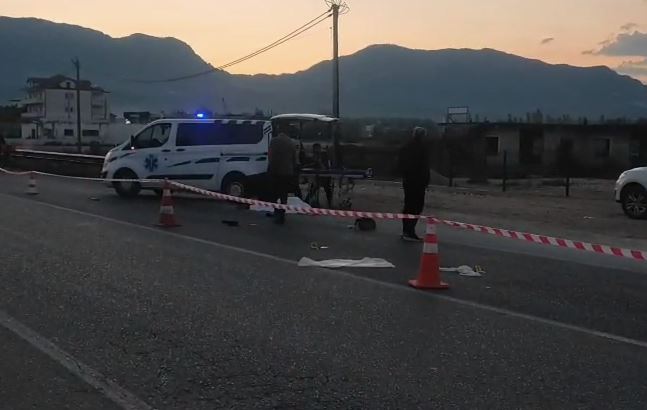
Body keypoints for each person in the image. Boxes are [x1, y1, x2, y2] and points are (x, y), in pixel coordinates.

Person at [398, 127, 431, 241]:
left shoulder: (406, 147)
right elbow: (424, 167)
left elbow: (400, 164)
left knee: (408, 205)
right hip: (418, 181)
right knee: (417, 206)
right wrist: (426, 180)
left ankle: (406, 230)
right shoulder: (422, 148)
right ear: (422, 136)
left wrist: (405, 175)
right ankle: (410, 231)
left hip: (408, 181)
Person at [268, 131, 297, 224]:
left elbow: (270, 156)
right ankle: (282, 214)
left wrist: (270, 168)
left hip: (276, 171)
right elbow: (294, 159)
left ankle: (276, 212)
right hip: (287, 173)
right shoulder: (291, 142)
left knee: (274, 194)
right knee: (284, 195)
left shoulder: (273, 141)